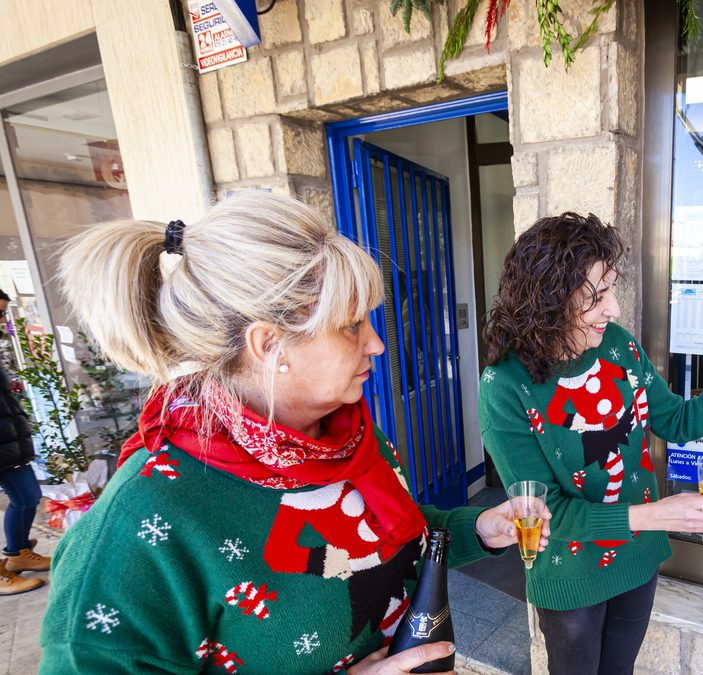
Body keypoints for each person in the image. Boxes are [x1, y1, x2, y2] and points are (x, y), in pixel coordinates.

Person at [40, 193, 550, 675]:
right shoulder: (141, 522)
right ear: (269, 345)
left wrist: (480, 529)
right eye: (352, 325)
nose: (376, 344)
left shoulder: (347, 437)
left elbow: (397, 535)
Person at [479, 213, 703, 675]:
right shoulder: (505, 385)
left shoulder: (618, 347)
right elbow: (547, 513)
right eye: (596, 296)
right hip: (572, 578)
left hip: (636, 558)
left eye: (611, 290)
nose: (613, 309)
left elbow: (679, 421)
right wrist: (660, 515)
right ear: (547, 300)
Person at [0, 291, 49, 595]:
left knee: (28, 495)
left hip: (8, 444)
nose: (1, 320)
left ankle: (18, 554)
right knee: (25, 496)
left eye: (3, 313)